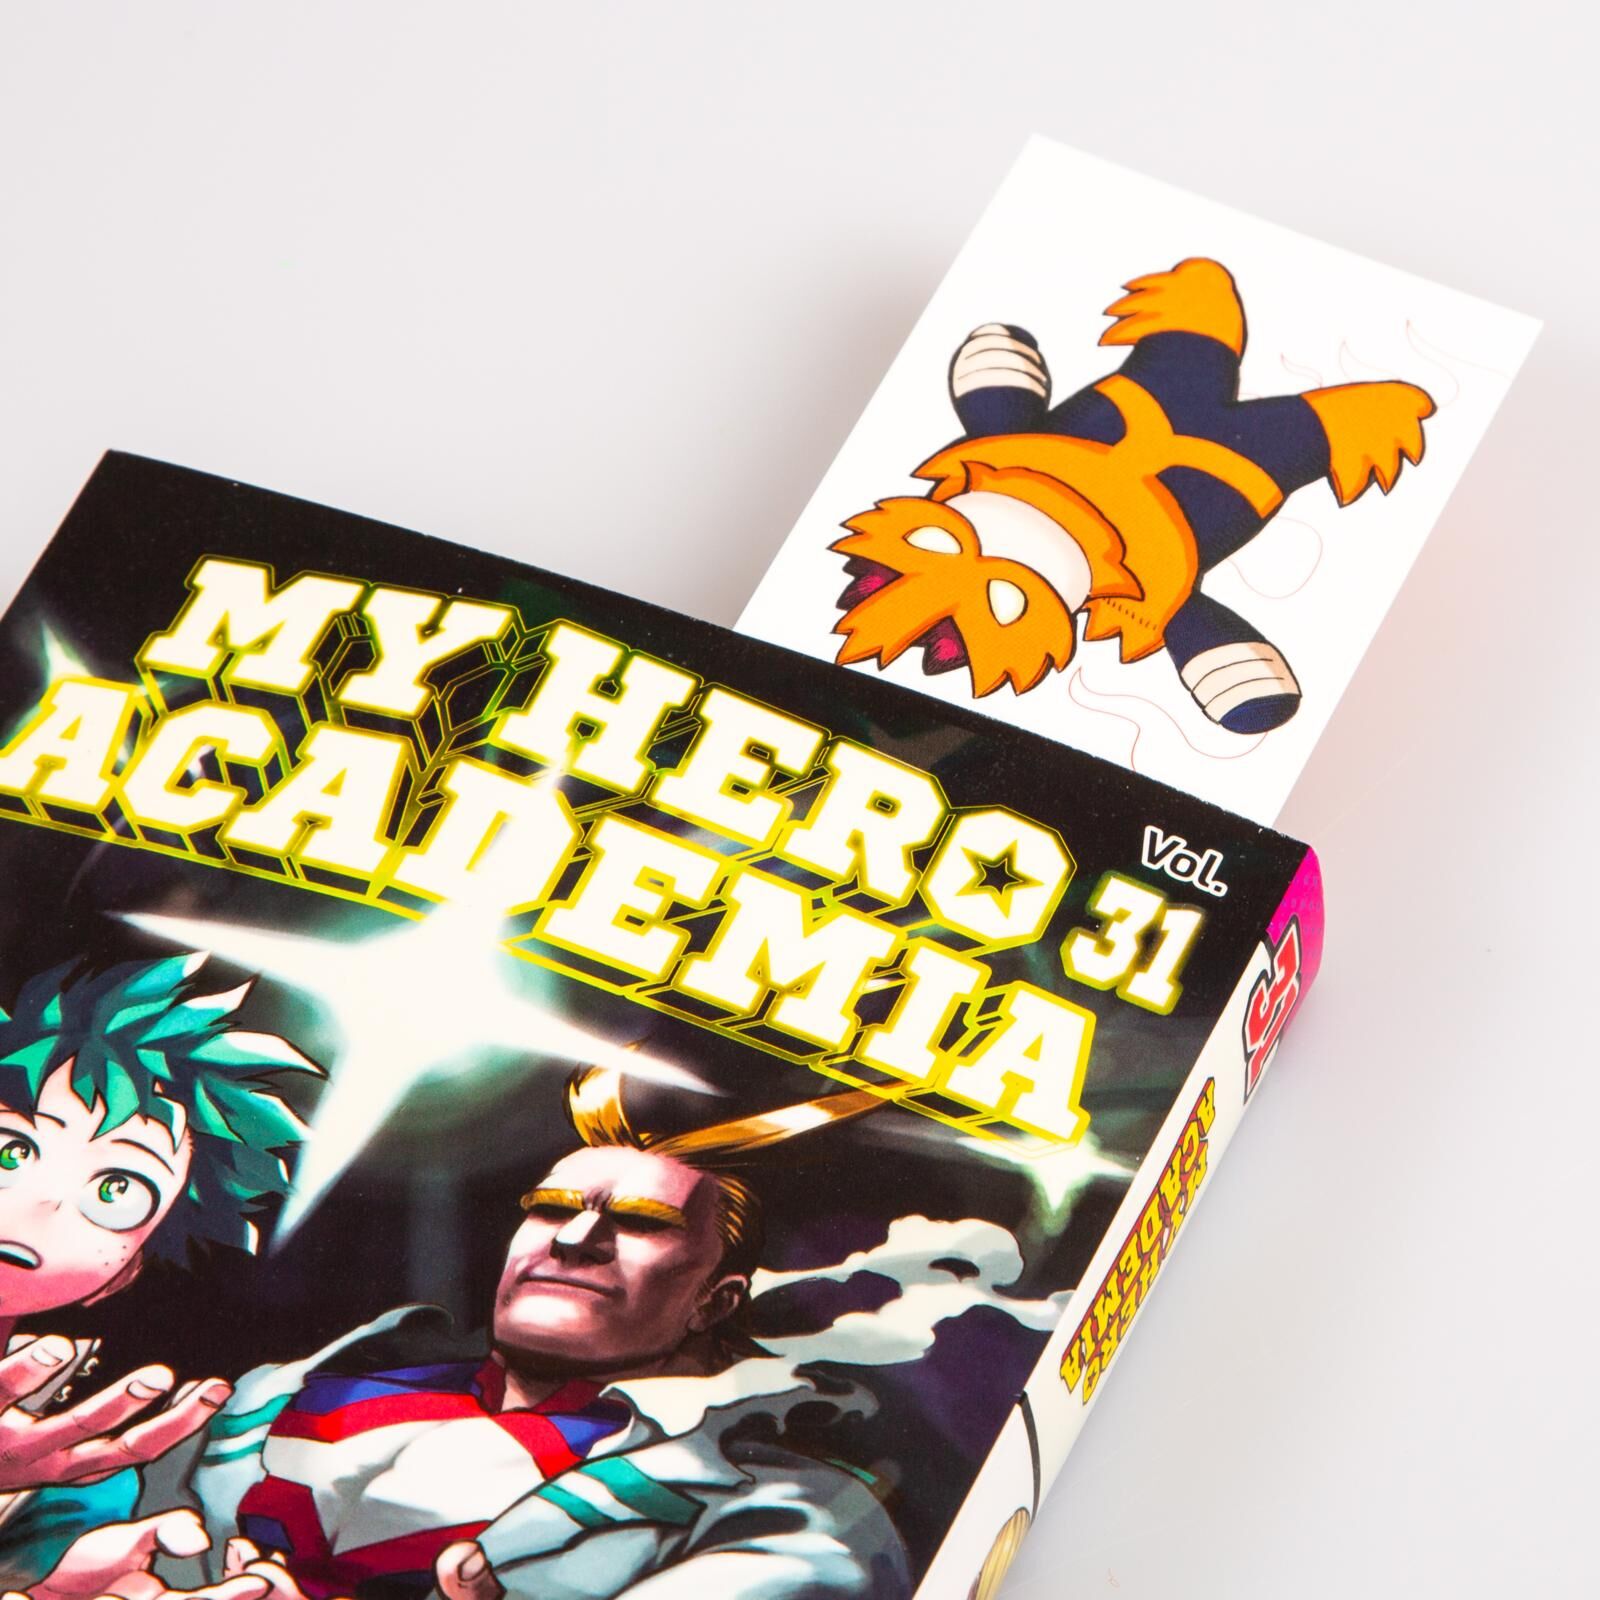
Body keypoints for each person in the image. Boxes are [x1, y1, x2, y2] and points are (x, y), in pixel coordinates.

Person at [143, 1066, 912, 1600]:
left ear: (714, 1302)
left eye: (640, 1222)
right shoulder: (278, 1397)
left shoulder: (788, 1509)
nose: (574, 1239)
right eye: (550, 1208)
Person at [0, 954, 322, 1589]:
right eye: (12, 1151)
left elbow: (53, 1557)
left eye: (116, 1190)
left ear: (130, 1263)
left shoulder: (61, 1446)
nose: (39, 1208)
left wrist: (48, 1579)